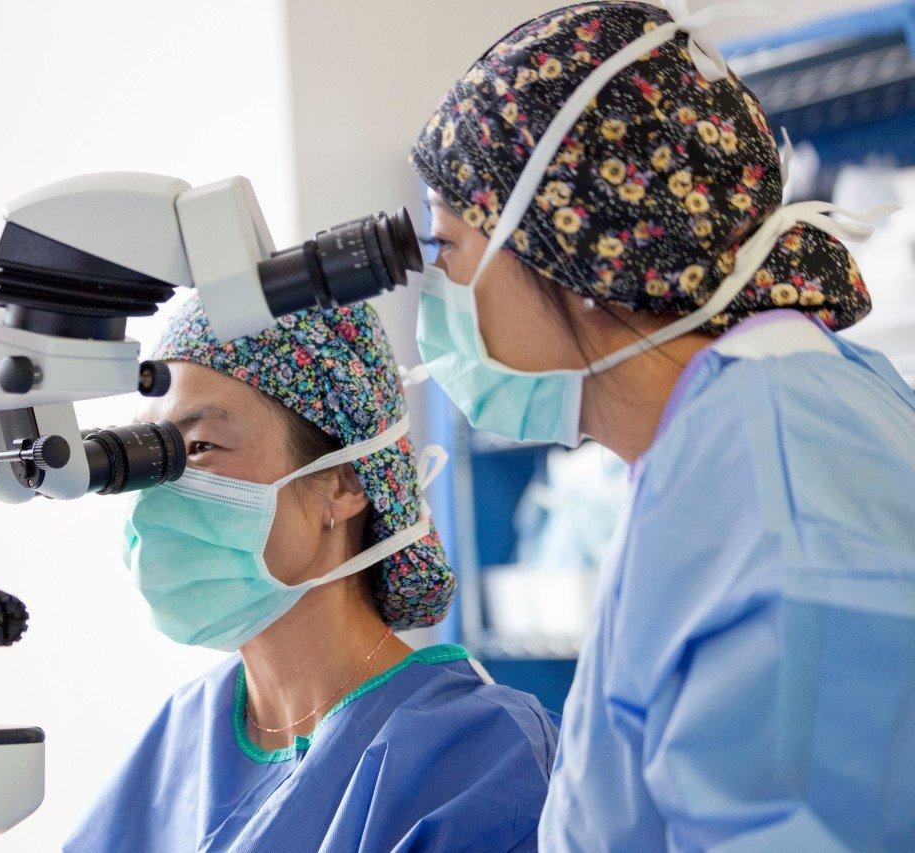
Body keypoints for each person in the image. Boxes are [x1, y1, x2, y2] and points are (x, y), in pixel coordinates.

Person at [408, 2, 915, 849]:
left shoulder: (775, 495)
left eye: (447, 250)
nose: (439, 296)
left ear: (578, 253)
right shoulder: (730, 435)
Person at [65, 295, 558, 851]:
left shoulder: (476, 756)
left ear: (345, 481)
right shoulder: (184, 733)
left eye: (201, 447)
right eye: (153, 454)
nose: (161, 491)